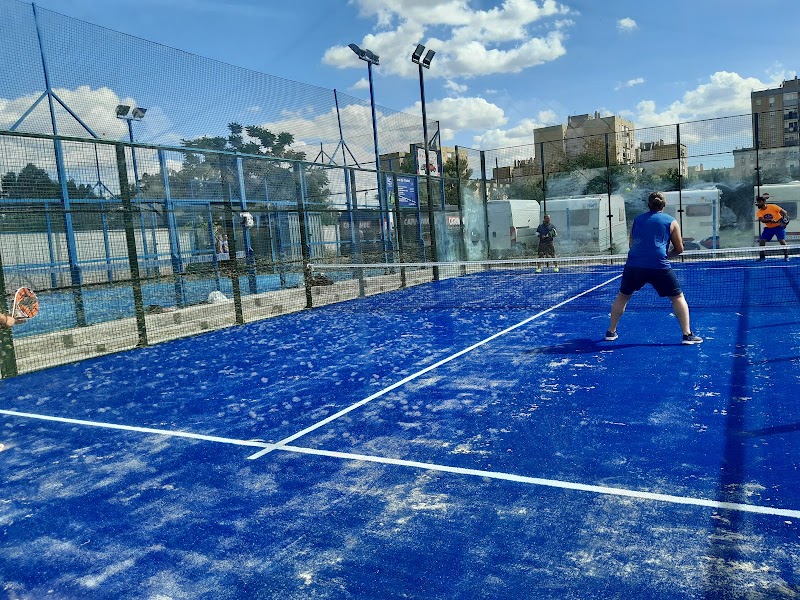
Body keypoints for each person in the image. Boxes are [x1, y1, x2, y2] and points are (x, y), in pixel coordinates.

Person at [605, 191, 702, 345]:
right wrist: (664, 255)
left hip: (634, 266)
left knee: (623, 296)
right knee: (677, 298)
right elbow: (679, 249)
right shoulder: (671, 221)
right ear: (664, 205)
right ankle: (687, 335)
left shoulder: (637, 220)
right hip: (659, 266)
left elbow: (632, 244)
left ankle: (610, 332)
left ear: (648, 204)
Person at [755, 193, 789, 261]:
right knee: (762, 241)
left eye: (759, 202)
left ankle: (786, 256)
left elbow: (784, 212)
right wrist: (770, 220)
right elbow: (762, 220)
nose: (758, 203)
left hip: (779, 227)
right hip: (769, 229)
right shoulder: (759, 212)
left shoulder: (773, 206)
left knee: (782, 241)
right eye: (757, 202)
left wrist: (784, 219)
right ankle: (762, 257)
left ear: (764, 202)